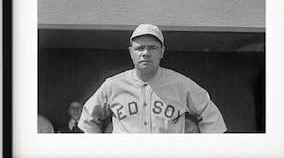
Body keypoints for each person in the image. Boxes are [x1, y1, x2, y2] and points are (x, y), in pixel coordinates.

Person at [78, 24, 227, 133]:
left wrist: (203, 155)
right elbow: (88, 119)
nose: (145, 53)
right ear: (131, 52)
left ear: (162, 51)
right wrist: (100, 153)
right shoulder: (113, 85)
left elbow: (211, 117)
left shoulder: (181, 84)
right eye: (139, 48)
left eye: (152, 48)